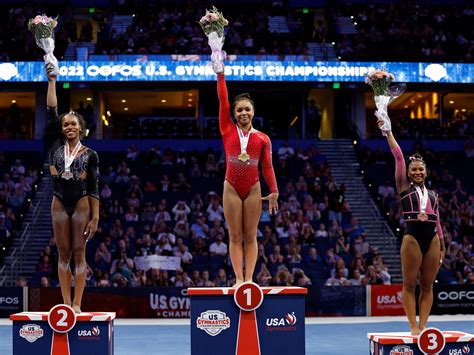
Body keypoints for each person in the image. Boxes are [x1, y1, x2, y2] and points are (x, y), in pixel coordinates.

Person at [378, 116, 445, 335]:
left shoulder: (433, 194)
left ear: (426, 172)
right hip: (412, 238)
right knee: (409, 284)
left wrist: (442, 244)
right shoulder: (403, 187)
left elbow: (438, 220)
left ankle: (424, 325)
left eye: (420, 170)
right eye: (413, 169)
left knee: (427, 285)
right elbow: (398, 156)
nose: (417, 172)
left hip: (433, 238)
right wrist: (388, 132)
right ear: (408, 172)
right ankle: (413, 326)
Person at [215, 65, 278, 287]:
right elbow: (223, 100)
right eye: (239, 110)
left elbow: (267, 167)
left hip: (253, 187)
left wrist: (274, 191)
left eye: (247, 110)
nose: (243, 113)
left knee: (251, 236)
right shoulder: (227, 129)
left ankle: (249, 280)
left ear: (253, 112)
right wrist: (220, 74)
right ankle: (238, 279)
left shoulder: (263, 138)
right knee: (234, 236)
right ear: (234, 114)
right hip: (231, 186)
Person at [45, 63, 99, 313]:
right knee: (62, 252)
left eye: (73, 124)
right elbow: (51, 109)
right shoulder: (54, 144)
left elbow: (93, 187)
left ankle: (78, 303)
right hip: (58, 201)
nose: (68, 127)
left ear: (81, 128)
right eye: (65, 124)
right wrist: (52, 81)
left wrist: (95, 218)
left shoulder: (90, 154)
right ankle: (66, 303)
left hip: (81, 203)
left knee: (79, 251)